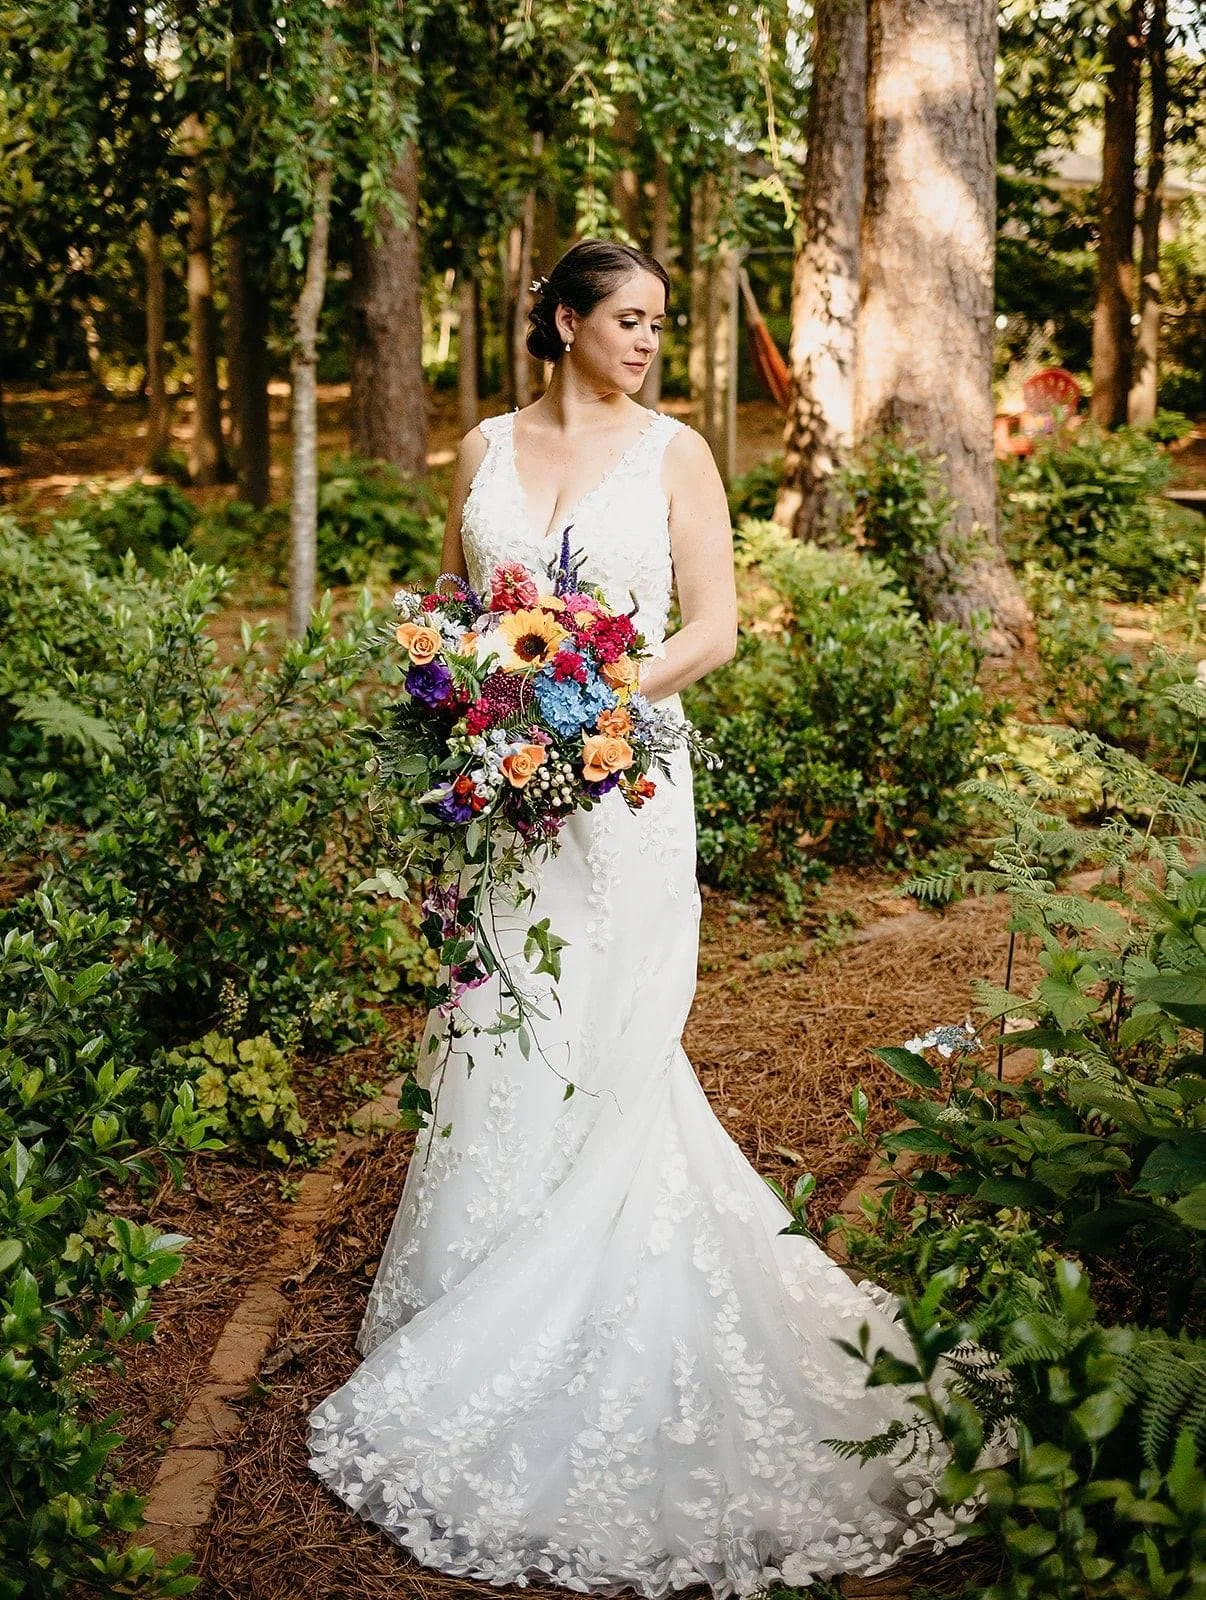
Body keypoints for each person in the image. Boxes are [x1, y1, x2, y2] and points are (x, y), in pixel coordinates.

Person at [308, 237, 966, 1598]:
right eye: (626, 319)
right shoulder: (481, 443)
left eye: (660, 323)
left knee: (604, 1035)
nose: (649, 341)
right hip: (498, 794)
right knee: (496, 1021)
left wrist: (595, 705)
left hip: (620, 787)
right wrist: (466, 704)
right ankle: (481, 1282)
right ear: (558, 322)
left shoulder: (673, 453)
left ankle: (590, 1286)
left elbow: (715, 625)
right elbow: (450, 611)